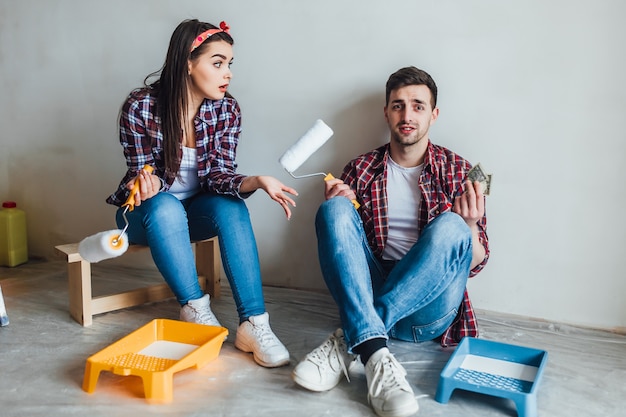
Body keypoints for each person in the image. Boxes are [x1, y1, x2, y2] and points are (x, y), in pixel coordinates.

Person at [292, 66, 489, 416]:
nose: (407, 115)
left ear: (434, 114)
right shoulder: (361, 169)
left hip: (427, 310)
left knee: (453, 227)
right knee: (333, 209)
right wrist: (342, 205)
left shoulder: (460, 171)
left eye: (417, 105)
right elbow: (348, 254)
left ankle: (351, 340)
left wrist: (470, 225)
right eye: (398, 105)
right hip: (370, 289)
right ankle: (374, 350)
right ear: (386, 112)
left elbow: (474, 262)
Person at [106, 19, 297, 368]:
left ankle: (254, 324)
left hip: (192, 215)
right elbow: (139, 170)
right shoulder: (141, 107)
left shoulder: (227, 110)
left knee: (231, 207)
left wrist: (254, 181)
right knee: (163, 205)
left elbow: (217, 177)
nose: (228, 73)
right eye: (218, 62)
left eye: (229, 64)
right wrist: (143, 182)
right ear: (188, 63)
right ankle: (194, 307)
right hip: (142, 215)